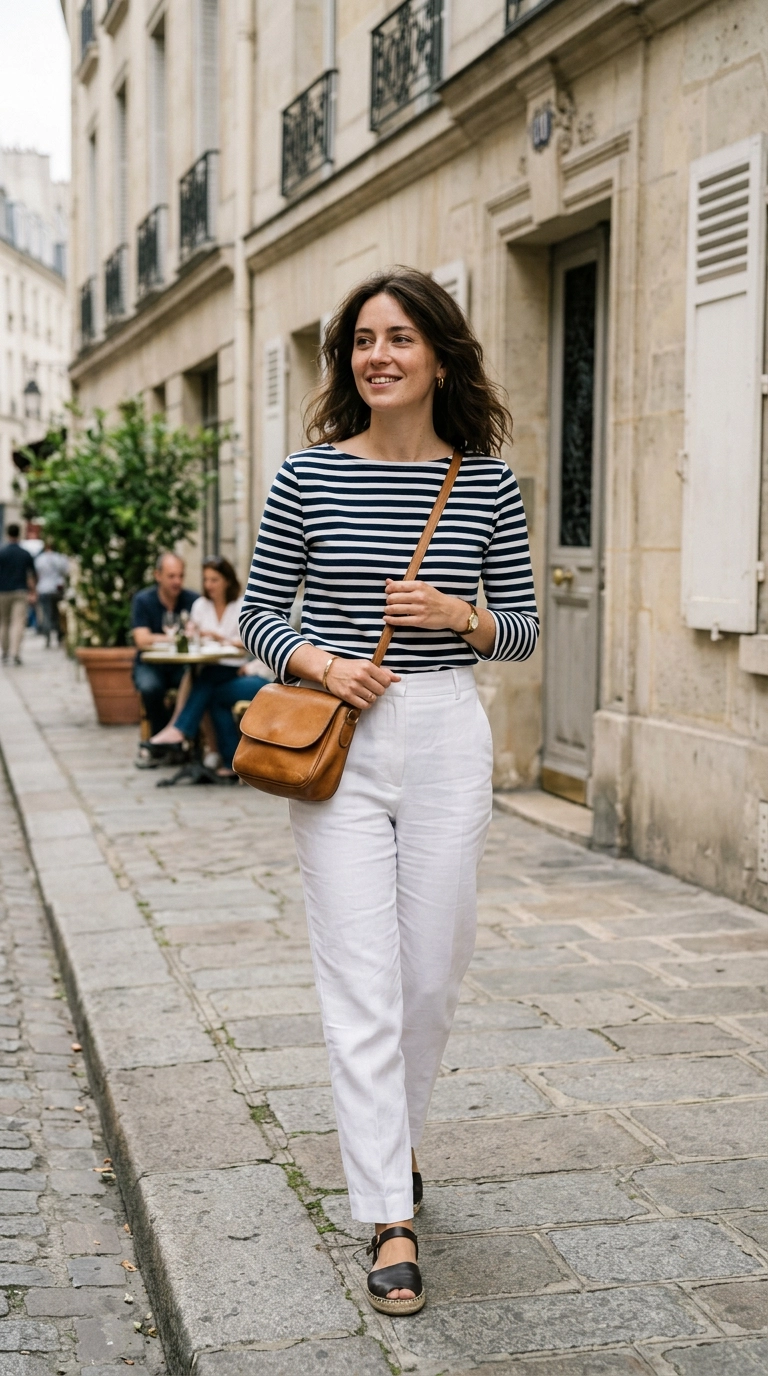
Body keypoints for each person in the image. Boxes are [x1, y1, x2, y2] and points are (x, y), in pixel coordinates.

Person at [239, 267, 539, 1314]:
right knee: (362, 978)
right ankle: (388, 1211)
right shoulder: (307, 476)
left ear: (440, 357)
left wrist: (459, 615)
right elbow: (257, 614)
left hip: (449, 727)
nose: (378, 355)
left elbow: (526, 627)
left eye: (399, 337)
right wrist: (322, 665)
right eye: (362, 339)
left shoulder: (488, 482)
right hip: (344, 739)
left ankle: (394, 1146)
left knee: (430, 976)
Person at [149, 555, 270, 781]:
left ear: (226, 580)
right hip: (216, 673)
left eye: (214, 579)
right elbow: (194, 637)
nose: (208, 585)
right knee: (211, 691)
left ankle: (182, 730)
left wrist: (219, 637)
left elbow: (251, 642)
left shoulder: (242, 605)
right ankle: (228, 762)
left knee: (206, 682)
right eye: (206, 580)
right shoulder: (200, 606)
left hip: (249, 674)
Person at [131, 553, 197, 744]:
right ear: (157, 575)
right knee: (151, 688)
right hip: (151, 664)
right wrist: (176, 637)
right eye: (171, 576)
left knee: (198, 682)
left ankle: (189, 742)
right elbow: (141, 640)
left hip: (181, 665)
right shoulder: (143, 600)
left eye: (181, 576)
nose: (177, 581)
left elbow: (200, 632)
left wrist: (159, 638)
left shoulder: (193, 599)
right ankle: (160, 740)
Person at [0, 523, 37, 665]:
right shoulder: (25, 553)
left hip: (2, 592)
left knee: (3, 622)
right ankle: (15, 653)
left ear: (7, 534)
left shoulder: (2, 552)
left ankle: (5, 652)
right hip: (20, 591)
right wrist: (33, 592)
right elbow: (31, 576)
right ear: (19, 534)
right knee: (18, 622)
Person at [35, 541, 68, 647]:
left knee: (46, 614)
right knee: (58, 613)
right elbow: (66, 571)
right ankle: (59, 635)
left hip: (44, 588)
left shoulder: (39, 559)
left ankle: (47, 637)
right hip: (57, 588)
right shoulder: (60, 558)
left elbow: (36, 574)